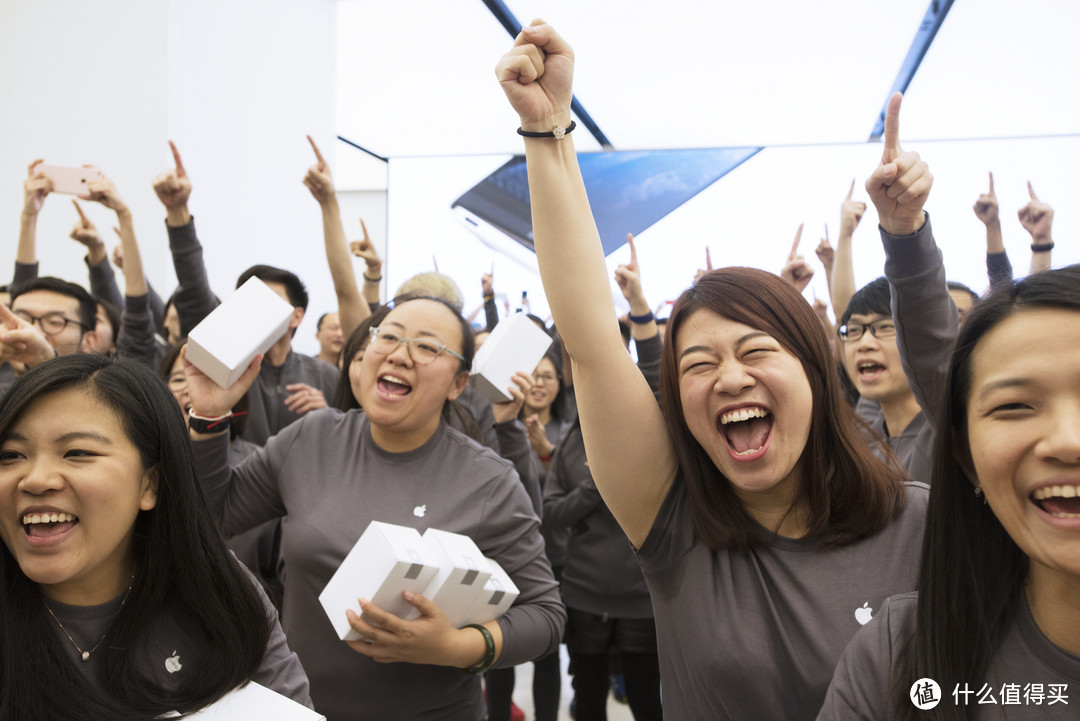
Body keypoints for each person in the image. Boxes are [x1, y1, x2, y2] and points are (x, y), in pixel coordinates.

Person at [496, 24, 928, 719]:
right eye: (698, 363)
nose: (728, 378)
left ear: (818, 371)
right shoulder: (675, 527)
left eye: (756, 352)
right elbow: (592, 344)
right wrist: (548, 133)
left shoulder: (922, 524)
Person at [183, 294, 565, 721]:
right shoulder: (312, 439)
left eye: (426, 347)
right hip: (301, 707)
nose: (400, 355)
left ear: (459, 383)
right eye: (389, 337)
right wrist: (211, 414)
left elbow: (546, 616)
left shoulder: (489, 482)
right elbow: (211, 517)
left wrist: (456, 647)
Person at [817, 265, 1080, 720]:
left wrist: (905, 235)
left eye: (882, 328)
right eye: (1015, 406)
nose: (1067, 440)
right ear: (965, 458)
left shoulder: (925, 430)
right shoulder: (900, 655)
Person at [0, 354, 311, 720]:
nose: (36, 479)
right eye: (11, 455)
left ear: (150, 483)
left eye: (77, 453)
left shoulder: (215, 590)